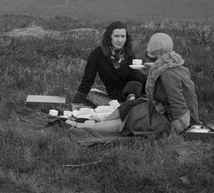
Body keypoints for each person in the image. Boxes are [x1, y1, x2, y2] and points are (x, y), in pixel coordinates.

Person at [69, 32, 201, 141]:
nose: (150, 61)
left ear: (159, 55)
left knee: (136, 115)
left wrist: (181, 130)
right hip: (163, 109)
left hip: (173, 120)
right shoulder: (173, 68)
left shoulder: (167, 75)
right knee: (132, 105)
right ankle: (96, 125)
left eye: (152, 58)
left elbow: (180, 108)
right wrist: (152, 69)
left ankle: (87, 128)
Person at [71, 20, 145, 107]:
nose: (120, 40)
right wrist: (76, 101)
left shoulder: (129, 53)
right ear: (110, 37)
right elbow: (88, 80)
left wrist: (132, 96)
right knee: (92, 94)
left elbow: (135, 77)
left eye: (123, 36)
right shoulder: (98, 54)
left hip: (133, 95)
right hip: (113, 97)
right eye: (116, 36)